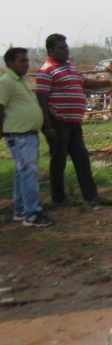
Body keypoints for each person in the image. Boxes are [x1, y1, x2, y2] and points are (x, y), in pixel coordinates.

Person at [35, 33, 112, 206]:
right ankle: (59, 198)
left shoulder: (71, 67)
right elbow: (41, 99)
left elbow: (85, 83)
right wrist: (48, 126)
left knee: (81, 158)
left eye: (66, 47)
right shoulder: (46, 71)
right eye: (62, 48)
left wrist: (110, 83)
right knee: (58, 161)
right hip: (58, 121)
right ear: (51, 50)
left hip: (73, 122)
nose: (66, 50)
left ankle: (91, 195)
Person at [0, 48, 54, 227]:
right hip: (20, 136)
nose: (26, 64)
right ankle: (32, 213)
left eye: (27, 60)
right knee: (29, 173)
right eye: (22, 61)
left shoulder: (20, 81)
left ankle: (21, 209)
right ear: (10, 63)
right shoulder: (6, 82)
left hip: (27, 135)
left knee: (21, 173)